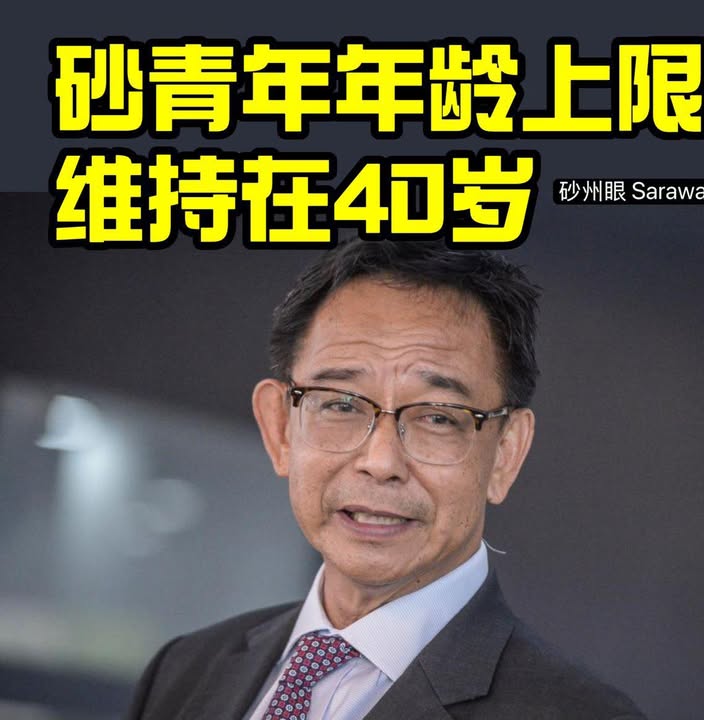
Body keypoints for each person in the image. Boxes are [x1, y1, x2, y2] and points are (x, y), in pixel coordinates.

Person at [124, 238, 647, 720]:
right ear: (280, 428)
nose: (380, 461)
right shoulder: (185, 672)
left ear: (505, 454)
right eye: (341, 404)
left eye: (437, 416)